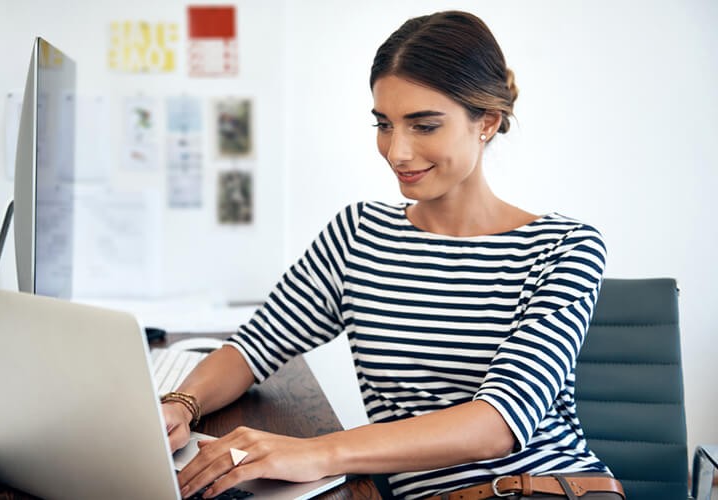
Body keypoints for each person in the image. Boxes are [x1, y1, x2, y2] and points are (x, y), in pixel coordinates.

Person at [161, 10, 624, 500]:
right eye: (384, 124)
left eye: (423, 126)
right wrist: (180, 404)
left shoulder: (565, 247)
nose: (396, 151)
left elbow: (497, 424)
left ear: (486, 122)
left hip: (546, 488)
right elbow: (253, 347)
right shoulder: (359, 234)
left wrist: (316, 452)